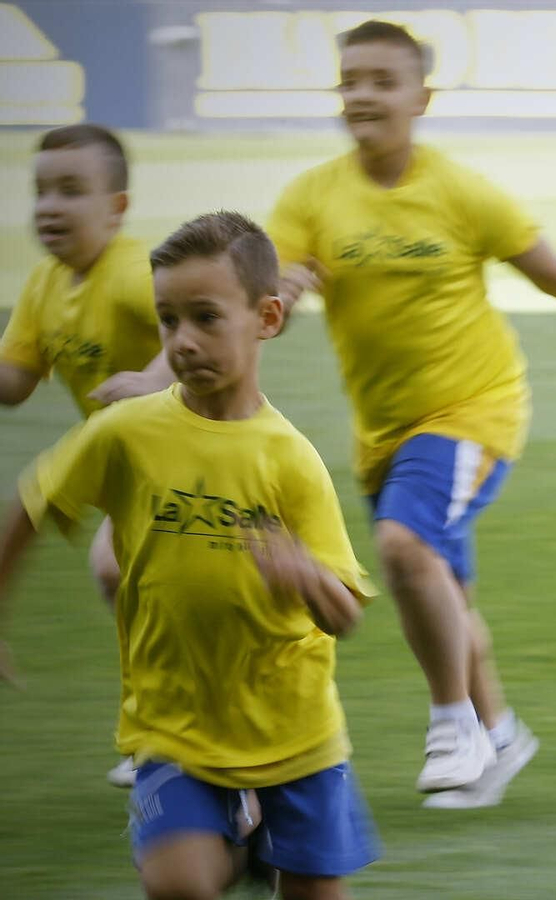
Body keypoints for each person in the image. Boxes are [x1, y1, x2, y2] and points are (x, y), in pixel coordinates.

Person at [266, 19, 556, 804]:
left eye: (382, 80)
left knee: (403, 549)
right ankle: (500, 736)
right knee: (443, 590)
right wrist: (281, 291)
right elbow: (254, 290)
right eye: (350, 80)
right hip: (385, 433)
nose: (363, 94)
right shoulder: (311, 198)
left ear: (420, 97)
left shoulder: (462, 192)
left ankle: (452, 721)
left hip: (475, 410)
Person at [0, 211, 380, 900]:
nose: (182, 342)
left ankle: (249, 831)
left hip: (295, 737)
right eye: (168, 320)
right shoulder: (127, 433)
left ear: (266, 317)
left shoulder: (289, 460)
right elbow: (28, 508)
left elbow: (347, 612)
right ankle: (234, 837)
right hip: (173, 730)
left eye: (206, 318)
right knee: (177, 885)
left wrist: (303, 574)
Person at [0, 123, 175, 788]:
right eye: (41, 190)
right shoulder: (46, 286)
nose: (50, 206)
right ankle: (160, 731)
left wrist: (152, 379)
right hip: (128, 467)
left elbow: (186, 326)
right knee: (111, 571)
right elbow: (15, 383)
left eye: (71, 190)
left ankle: (171, 734)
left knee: (111, 563)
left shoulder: (132, 270)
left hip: (192, 454)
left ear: (117, 207)